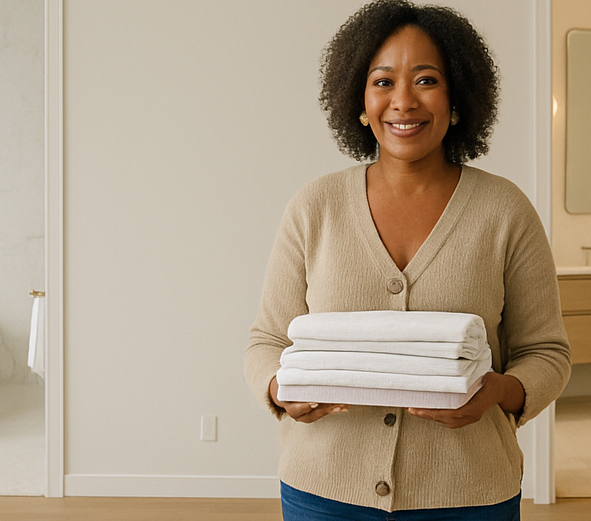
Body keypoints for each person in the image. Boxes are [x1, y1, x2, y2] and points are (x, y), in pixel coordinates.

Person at [243, 1, 571, 519]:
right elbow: (267, 341)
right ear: (359, 99)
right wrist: (280, 389)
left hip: (468, 492)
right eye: (382, 82)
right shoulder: (314, 206)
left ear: (456, 97)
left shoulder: (505, 210)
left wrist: (497, 392)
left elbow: (547, 352)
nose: (402, 102)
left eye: (425, 80)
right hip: (324, 491)